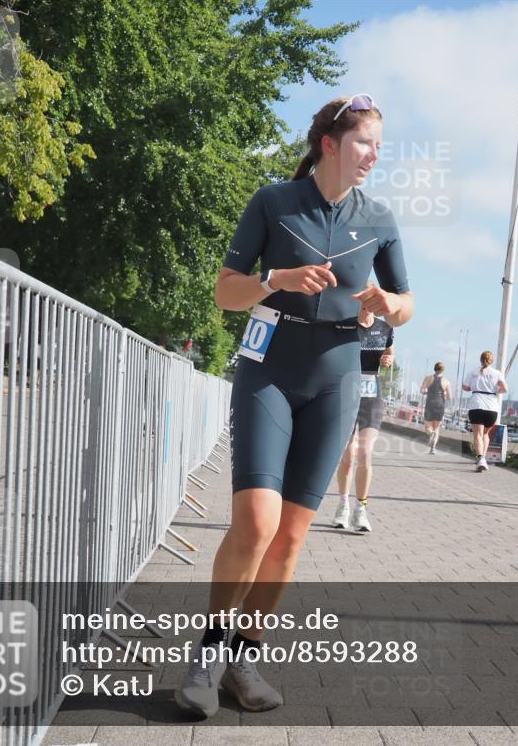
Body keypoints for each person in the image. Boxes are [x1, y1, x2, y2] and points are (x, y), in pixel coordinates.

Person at [177, 93, 414, 717]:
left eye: (380, 147)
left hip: (338, 376)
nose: (374, 156)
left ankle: (242, 660)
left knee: (290, 535)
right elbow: (226, 294)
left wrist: (388, 306)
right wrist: (274, 281)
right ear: (331, 143)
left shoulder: (382, 218)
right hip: (268, 370)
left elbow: (408, 302)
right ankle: (206, 655)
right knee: (254, 522)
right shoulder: (273, 203)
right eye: (365, 143)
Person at [332, 298, 394, 532]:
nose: (367, 307)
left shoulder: (385, 328)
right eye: (363, 302)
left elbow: (389, 353)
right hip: (346, 394)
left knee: (365, 452)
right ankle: (343, 505)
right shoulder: (345, 326)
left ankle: (361, 509)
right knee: (348, 456)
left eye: (371, 302)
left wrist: (388, 360)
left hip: (372, 395)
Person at [462, 351, 507, 472]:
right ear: (491, 361)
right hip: (491, 407)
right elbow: (504, 388)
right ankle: (483, 459)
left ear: (480, 360)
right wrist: (495, 390)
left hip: (476, 405)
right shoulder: (497, 373)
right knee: (485, 434)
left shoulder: (473, 372)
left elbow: (465, 387)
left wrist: (474, 387)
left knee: (477, 435)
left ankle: (481, 458)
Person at [420, 362, 451, 454]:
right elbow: (450, 397)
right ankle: (433, 448)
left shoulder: (428, 378)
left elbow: (422, 391)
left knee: (428, 426)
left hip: (430, 404)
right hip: (440, 405)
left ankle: (430, 433)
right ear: (443, 370)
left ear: (434, 368)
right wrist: (444, 394)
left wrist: (427, 393)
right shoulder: (446, 382)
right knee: (436, 428)